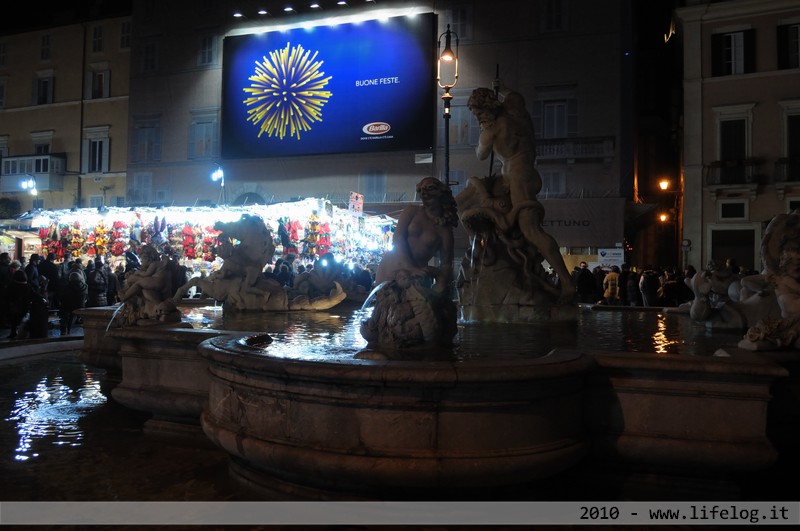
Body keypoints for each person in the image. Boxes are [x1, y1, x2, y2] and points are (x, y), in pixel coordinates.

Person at [467, 79, 574, 299]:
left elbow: (480, 154)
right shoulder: (514, 107)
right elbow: (516, 94)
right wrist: (503, 86)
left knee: (531, 230)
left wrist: (483, 130)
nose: (478, 118)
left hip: (517, 176)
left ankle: (566, 281)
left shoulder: (491, 130)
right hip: (528, 172)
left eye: (478, 113)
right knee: (525, 228)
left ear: (485, 110)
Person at [374, 176, 458, 296]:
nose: (424, 193)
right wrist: (410, 266)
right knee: (384, 309)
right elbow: (398, 238)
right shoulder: (411, 211)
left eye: (430, 188)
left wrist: (441, 284)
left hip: (417, 276)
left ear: (441, 193)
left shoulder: (444, 230)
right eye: (421, 190)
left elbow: (446, 263)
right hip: (391, 266)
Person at [7, 269, 31, 339]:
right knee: (22, 320)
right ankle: (22, 333)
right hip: (24, 305)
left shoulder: (12, 285)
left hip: (14, 305)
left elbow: (7, 295)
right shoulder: (27, 286)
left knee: (14, 320)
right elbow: (32, 294)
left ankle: (13, 333)